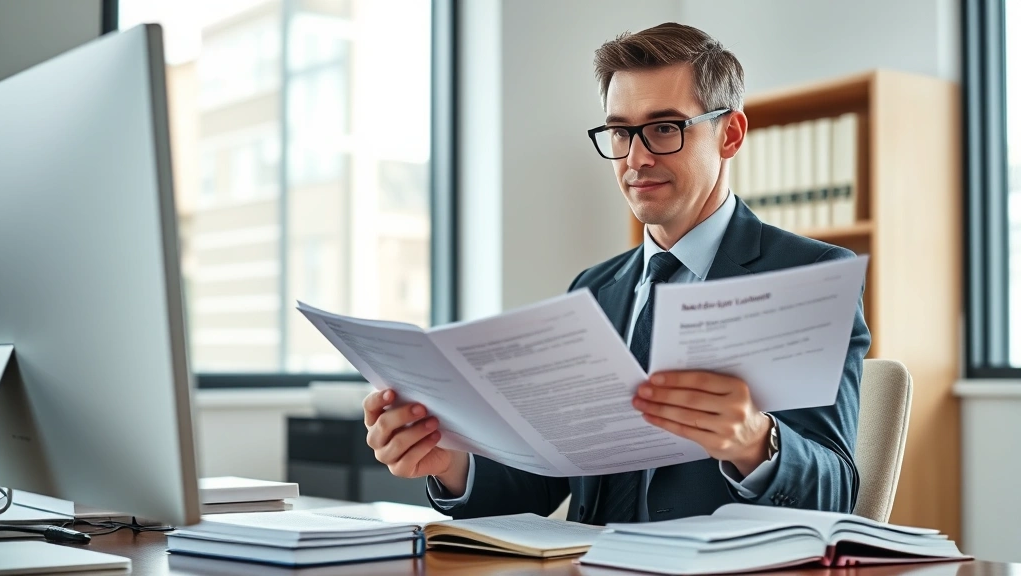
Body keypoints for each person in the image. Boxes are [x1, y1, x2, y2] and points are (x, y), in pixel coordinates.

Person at [362, 22, 869, 524]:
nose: (636, 157)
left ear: (730, 134)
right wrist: (451, 465)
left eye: (665, 128)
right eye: (620, 132)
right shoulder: (593, 289)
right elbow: (544, 479)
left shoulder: (809, 276)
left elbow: (836, 492)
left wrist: (756, 442)